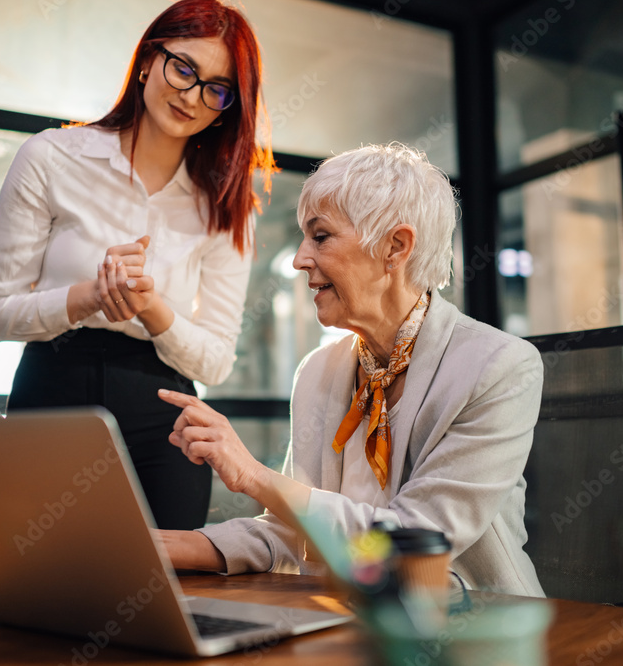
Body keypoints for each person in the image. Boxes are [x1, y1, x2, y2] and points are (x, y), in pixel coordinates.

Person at [155, 143, 545, 595]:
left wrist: (256, 477)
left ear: (395, 247)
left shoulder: (498, 368)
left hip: (471, 629)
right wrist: (166, 546)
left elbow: (416, 543)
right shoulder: (319, 370)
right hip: (344, 615)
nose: (301, 258)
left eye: (320, 237)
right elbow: (296, 529)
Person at [0, 0, 273, 530]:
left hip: (168, 421)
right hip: (52, 395)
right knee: (40, 586)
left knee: (164, 597)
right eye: (183, 67)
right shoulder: (51, 158)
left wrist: (153, 308)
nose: (191, 95)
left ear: (228, 106)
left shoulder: (226, 209)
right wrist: (89, 296)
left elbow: (215, 362)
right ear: (146, 60)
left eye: (215, 88)